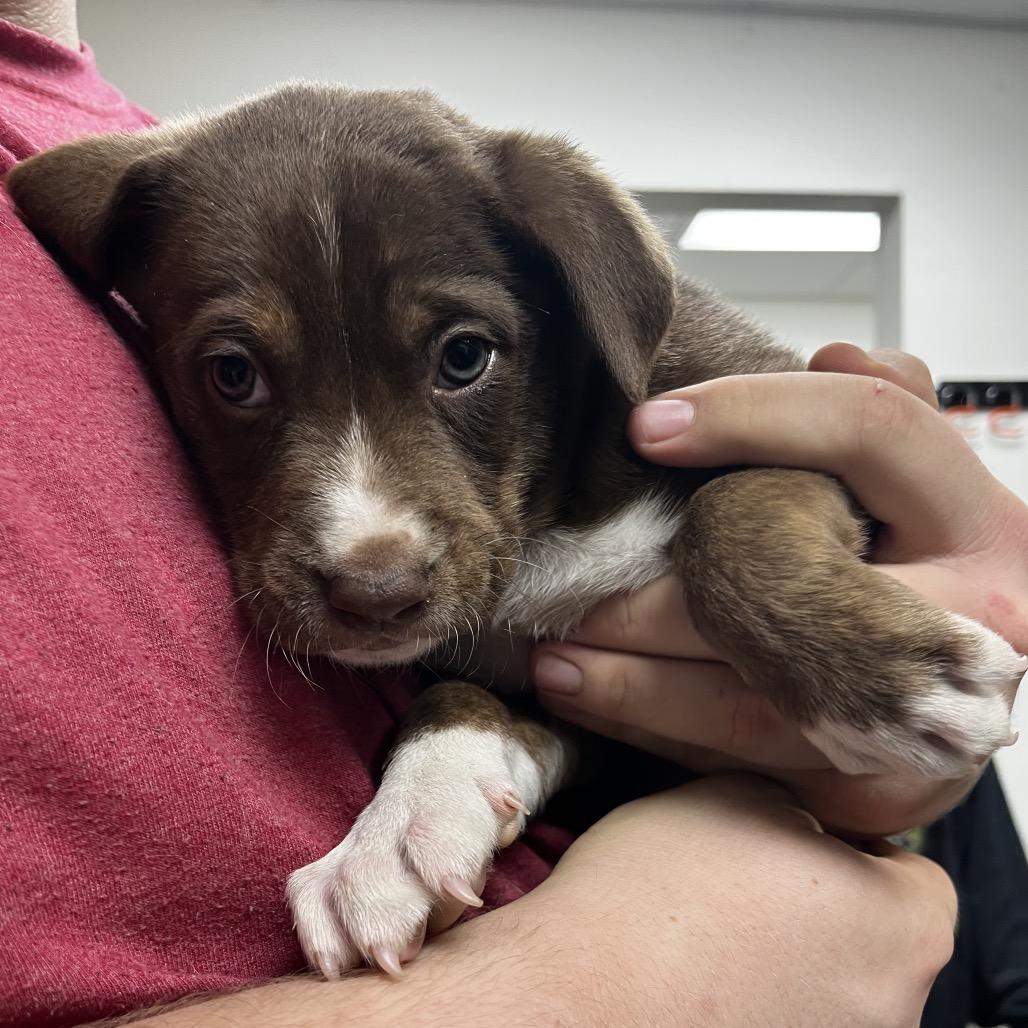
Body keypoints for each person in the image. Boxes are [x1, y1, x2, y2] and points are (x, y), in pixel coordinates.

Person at [0, 3, 1024, 1025]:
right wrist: (462, 758)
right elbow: (562, 711)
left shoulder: (629, 380)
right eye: (235, 373)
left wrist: (802, 614)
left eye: (461, 356)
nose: (368, 546)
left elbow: (810, 463)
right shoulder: (143, 225)